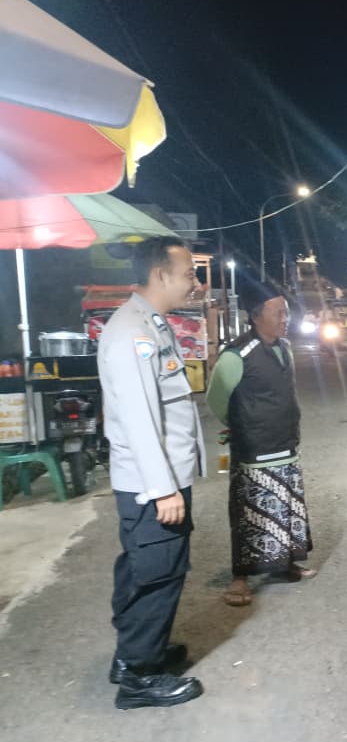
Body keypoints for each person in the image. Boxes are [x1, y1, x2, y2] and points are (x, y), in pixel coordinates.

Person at [98, 236, 205, 710]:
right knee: (157, 576)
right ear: (161, 274)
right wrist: (163, 490)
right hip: (152, 485)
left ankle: (134, 656)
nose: (194, 283)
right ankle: (140, 678)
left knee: (146, 569)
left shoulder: (148, 325)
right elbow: (140, 419)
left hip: (155, 480)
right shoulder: (133, 333)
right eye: (189, 273)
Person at [206, 280, 315, 607]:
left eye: (286, 312)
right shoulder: (236, 355)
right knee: (248, 516)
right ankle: (240, 578)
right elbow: (216, 400)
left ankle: (284, 565)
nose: (285, 318)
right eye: (278, 312)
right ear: (256, 316)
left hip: (286, 445)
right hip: (254, 451)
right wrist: (241, 424)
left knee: (285, 510)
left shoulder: (284, 348)